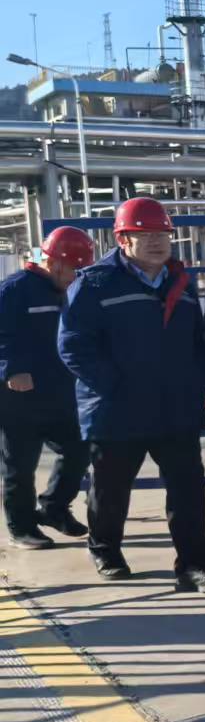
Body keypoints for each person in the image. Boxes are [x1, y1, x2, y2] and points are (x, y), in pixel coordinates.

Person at [58, 197, 205, 591]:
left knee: (188, 489)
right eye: (144, 234)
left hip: (175, 406)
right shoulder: (95, 283)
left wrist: (196, 379)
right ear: (123, 240)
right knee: (111, 489)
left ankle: (194, 565)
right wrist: (115, 387)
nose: (156, 242)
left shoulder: (180, 283)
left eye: (162, 234)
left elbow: (195, 341)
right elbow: (73, 346)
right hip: (118, 408)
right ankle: (105, 550)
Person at [0, 227, 95, 548]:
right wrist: (13, 369)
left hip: (60, 391)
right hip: (19, 396)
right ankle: (22, 527)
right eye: (72, 269)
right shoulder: (14, 289)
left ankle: (54, 507)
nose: (76, 276)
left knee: (79, 449)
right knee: (19, 464)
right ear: (52, 262)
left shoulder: (71, 290)